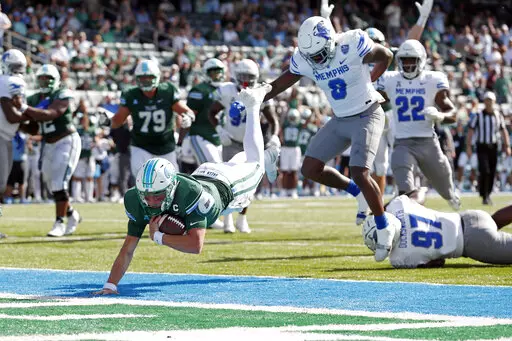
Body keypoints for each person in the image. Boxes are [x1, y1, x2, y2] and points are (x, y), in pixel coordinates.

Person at [92, 84, 279, 295]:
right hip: (204, 173)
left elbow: (195, 245)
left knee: (256, 164)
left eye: (157, 196)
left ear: (171, 188)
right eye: (147, 196)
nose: (151, 202)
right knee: (244, 161)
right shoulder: (136, 199)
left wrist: (158, 237)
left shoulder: (192, 195)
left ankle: (255, 108)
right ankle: (267, 154)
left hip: (227, 188)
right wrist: (110, 285)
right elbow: (128, 249)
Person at [262, 11, 394, 229]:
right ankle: (356, 193)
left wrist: (371, 80)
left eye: (319, 53)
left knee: (360, 172)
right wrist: (256, 96)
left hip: (366, 113)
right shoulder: (305, 57)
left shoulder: (351, 43)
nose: (316, 59)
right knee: (310, 169)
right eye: (311, 55)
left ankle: (383, 225)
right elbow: (277, 85)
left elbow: (387, 55)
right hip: (340, 118)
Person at [376, 40, 460, 210]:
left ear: (421, 60)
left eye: (411, 60)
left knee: (443, 182)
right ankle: (408, 215)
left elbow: (453, 114)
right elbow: (371, 99)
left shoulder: (432, 79)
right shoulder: (390, 79)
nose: (407, 64)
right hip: (402, 142)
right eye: (404, 60)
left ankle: (450, 195)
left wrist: (440, 116)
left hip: (428, 141)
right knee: (405, 186)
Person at [207, 58, 280, 233]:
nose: (246, 80)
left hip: (252, 144)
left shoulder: (260, 92)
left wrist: (275, 136)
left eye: (250, 76)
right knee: (227, 181)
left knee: (251, 183)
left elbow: (273, 120)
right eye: (243, 76)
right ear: (236, 76)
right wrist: (219, 129)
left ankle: (242, 218)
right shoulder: (226, 90)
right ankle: (228, 220)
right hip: (231, 141)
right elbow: (211, 112)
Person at [363, 189, 512, 268]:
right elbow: (419, 193)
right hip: (469, 217)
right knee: (493, 221)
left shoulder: (399, 258)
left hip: (474, 245)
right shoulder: (398, 205)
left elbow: (437, 263)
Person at [20, 64, 82, 237]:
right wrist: (18, 125)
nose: (45, 81)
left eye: (48, 78)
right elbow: (32, 127)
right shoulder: (33, 99)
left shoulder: (62, 94)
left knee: (58, 183)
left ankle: (59, 223)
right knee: (50, 183)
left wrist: (24, 109)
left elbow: (52, 113)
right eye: (42, 78)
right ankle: (71, 214)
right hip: (48, 143)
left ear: (56, 80)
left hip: (66, 140)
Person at [110, 59, 196, 176]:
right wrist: (110, 122)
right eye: (143, 78)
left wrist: (189, 117)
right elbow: (118, 120)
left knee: (171, 180)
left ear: (157, 77)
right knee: (142, 179)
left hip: (166, 145)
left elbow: (187, 111)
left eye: (149, 77)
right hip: (141, 145)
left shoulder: (167, 91)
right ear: (137, 78)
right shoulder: (131, 94)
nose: (146, 81)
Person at [466, 91, 511, 205]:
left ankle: (488, 194)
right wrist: (468, 146)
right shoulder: (478, 115)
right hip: (482, 146)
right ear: (484, 101)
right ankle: (484, 194)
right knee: (484, 170)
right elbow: (471, 131)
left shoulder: (498, 115)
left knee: (492, 171)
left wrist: (507, 146)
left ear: (494, 101)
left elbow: (503, 130)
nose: (488, 102)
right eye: (486, 100)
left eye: (490, 100)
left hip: (494, 147)